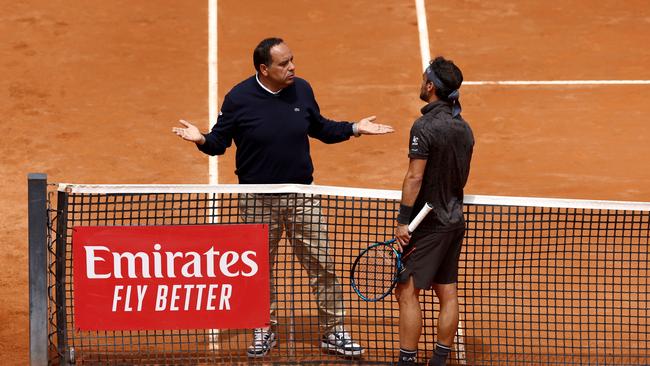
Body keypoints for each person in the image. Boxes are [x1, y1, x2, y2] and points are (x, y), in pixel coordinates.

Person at [172, 37, 393, 358]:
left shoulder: (301, 89)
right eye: (284, 63)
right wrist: (201, 138)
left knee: (323, 264)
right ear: (264, 68)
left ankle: (334, 332)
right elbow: (219, 143)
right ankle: (264, 328)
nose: (292, 67)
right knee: (259, 269)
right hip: (257, 199)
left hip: (302, 196)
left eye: (292, 60)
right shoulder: (239, 98)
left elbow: (319, 127)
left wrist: (354, 128)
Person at [393, 56, 474, 366]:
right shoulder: (464, 129)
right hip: (454, 221)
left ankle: (407, 361)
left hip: (427, 224)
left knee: (406, 290)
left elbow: (415, 176)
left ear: (430, 86)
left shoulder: (424, 126)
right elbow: (461, 177)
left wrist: (403, 221)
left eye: (424, 78)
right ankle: (439, 360)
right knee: (448, 292)